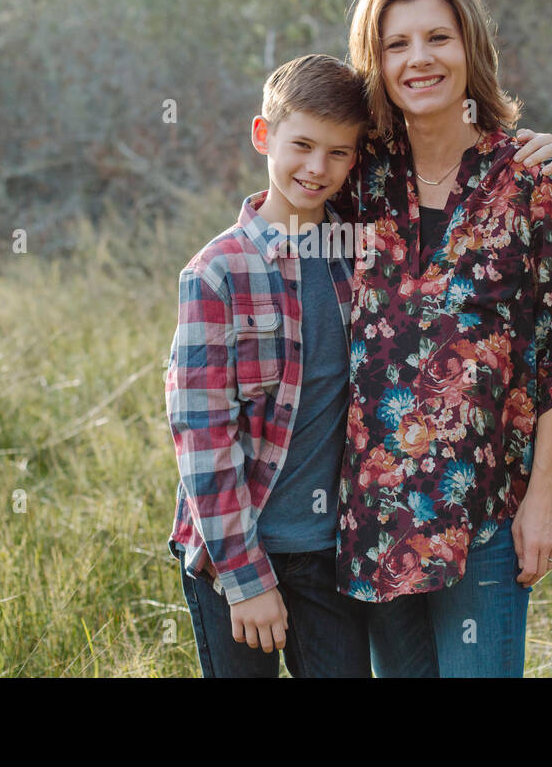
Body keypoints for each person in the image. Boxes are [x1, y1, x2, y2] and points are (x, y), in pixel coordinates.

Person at [334, 0, 552, 677]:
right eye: (397, 45)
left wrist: (544, 501)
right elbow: (283, 192)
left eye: (438, 38)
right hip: (375, 519)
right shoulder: (356, 181)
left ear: (470, 47)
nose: (420, 59)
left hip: (485, 516)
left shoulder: (531, 181)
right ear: (375, 63)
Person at [165, 53, 374, 677]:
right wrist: (246, 579)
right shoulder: (217, 273)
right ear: (264, 136)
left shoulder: (360, 256)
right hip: (234, 549)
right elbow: (202, 435)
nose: (317, 168)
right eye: (302, 145)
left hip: (331, 556)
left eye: (339, 152)